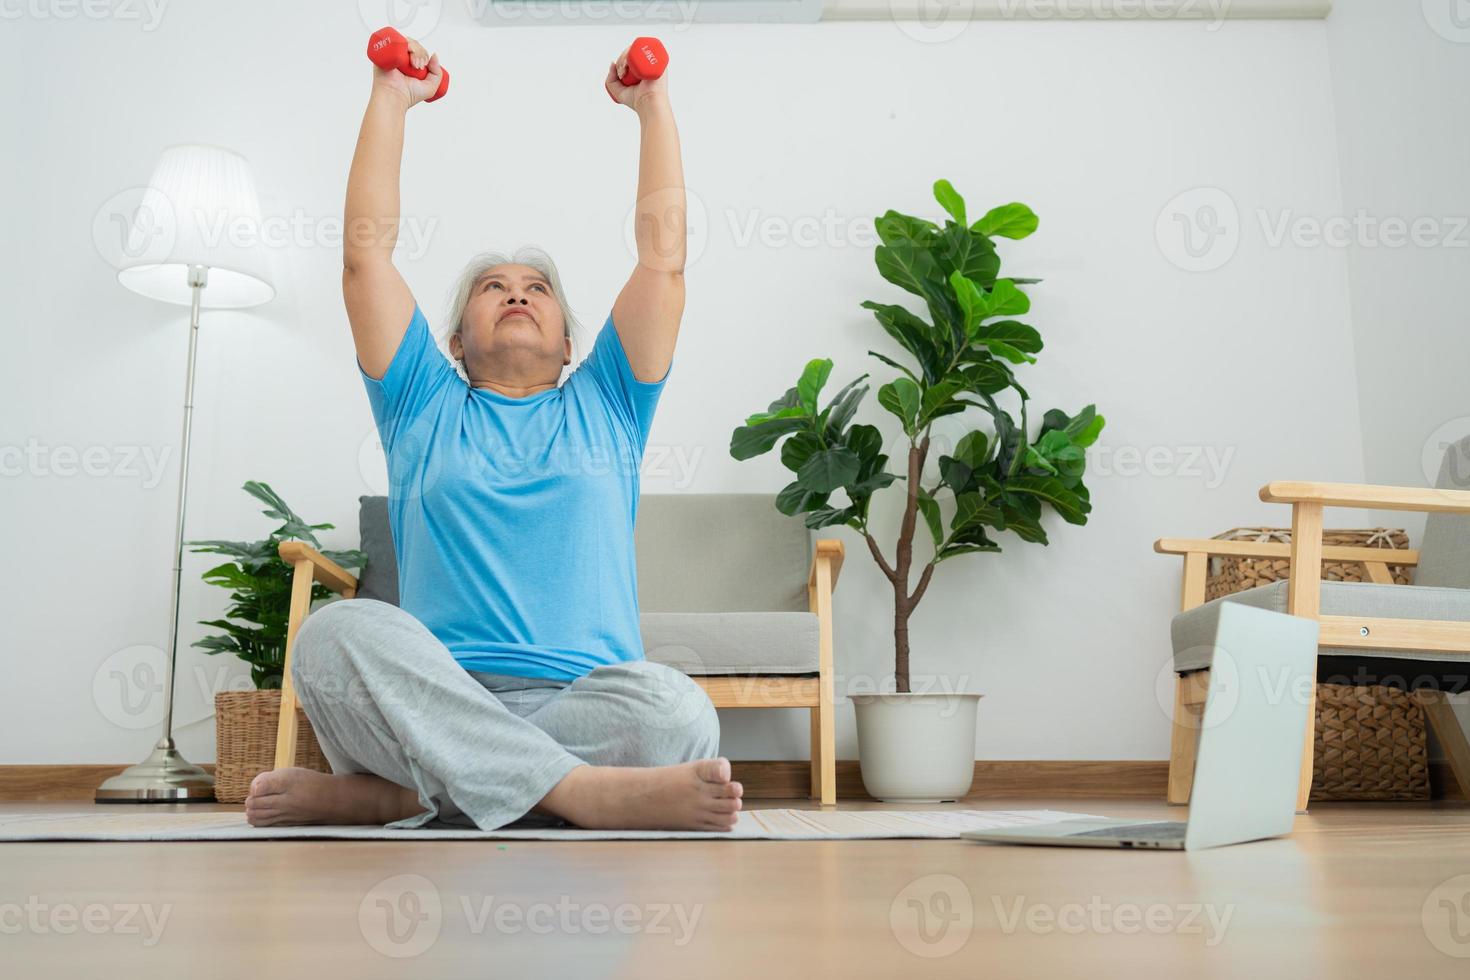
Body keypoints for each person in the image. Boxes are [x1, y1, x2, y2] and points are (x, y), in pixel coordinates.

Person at [244, 37, 741, 832]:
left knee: (676, 710)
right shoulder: (419, 402)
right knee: (329, 637)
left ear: (573, 345)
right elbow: (364, 261)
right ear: (453, 343)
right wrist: (390, 96)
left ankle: (406, 799)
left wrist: (652, 106)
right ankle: (575, 794)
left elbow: (664, 262)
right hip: (433, 697)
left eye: (537, 288)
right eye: (493, 289)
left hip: (586, 701)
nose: (517, 293)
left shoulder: (609, 401)